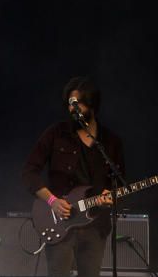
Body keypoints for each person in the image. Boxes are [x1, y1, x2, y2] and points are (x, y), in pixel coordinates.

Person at [21, 76, 125, 277]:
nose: (71, 109)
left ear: (91, 104)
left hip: (95, 227)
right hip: (60, 223)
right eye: (69, 104)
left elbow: (119, 183)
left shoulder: (111, 142)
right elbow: (28, 173)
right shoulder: (55, 133)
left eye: (76, 104)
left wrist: (111, 198)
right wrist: (52, 201)